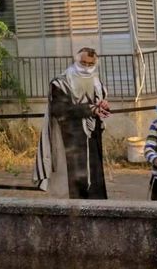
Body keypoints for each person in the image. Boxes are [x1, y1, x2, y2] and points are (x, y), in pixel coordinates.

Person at [34, 47, 110, 199]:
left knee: (94, 182)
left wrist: (102, 107)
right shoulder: (60, 83)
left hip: (92, 140)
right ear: (75, 61)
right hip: (69, 141)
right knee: (73, 186)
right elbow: (60, 109)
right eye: (83, 63)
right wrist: (89, 109)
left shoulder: (97, 84)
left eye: (90, 64)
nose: (87, 68)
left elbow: (97, 107)